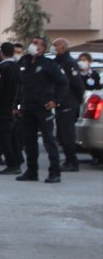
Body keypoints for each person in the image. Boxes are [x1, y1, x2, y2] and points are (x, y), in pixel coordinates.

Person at [15, 36, 69, 183]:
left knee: (48, 141)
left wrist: (56, 101)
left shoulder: (48, 64)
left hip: (43, 107)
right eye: (32, 42)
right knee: (29, 141)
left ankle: (54, 173)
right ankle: (32, 172)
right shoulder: (25, 62)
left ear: (43, 48)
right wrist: (17, 105)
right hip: (27, 108)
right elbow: (19, 86)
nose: (33, 45)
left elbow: (63, 83)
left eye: (36, 43)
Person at [52, 38, 85, 172]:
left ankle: (72, 162)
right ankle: (68, 159)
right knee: (61, 135)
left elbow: (78, 86)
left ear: (63, 48)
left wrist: (75, 102)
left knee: (67, 135)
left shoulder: (69, 63)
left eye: (56, 46)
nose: (53, 48)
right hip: (59, 103)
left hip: (68, 103)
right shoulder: (56, 62)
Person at [0, 42, 23, 174]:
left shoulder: (2, 68)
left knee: (3, 136)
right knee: (13, 135)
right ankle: (18, 159)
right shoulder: (16, 67)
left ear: (1, 53)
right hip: (13, 106)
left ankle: (12, 164)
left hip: (3, 106)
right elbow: (21, 87)